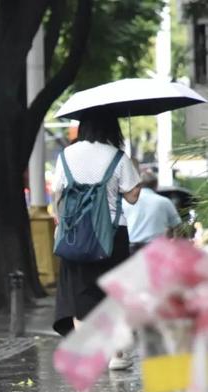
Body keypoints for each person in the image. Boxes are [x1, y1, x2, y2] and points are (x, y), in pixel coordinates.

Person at [52, 111, 141, 370]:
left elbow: (57, 195)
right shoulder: (118, 157)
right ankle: (116, 355)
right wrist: (133, 169)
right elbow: (132, 197)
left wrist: (61, 225)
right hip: (112, 236)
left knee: (81, 295)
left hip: (75, 234)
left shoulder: (66, 156)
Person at [124, 170, 182, 254]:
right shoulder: (164, 202)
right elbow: (178, 227)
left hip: (132, 250)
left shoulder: (126, 202)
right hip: (157, 250)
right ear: (156, 185)